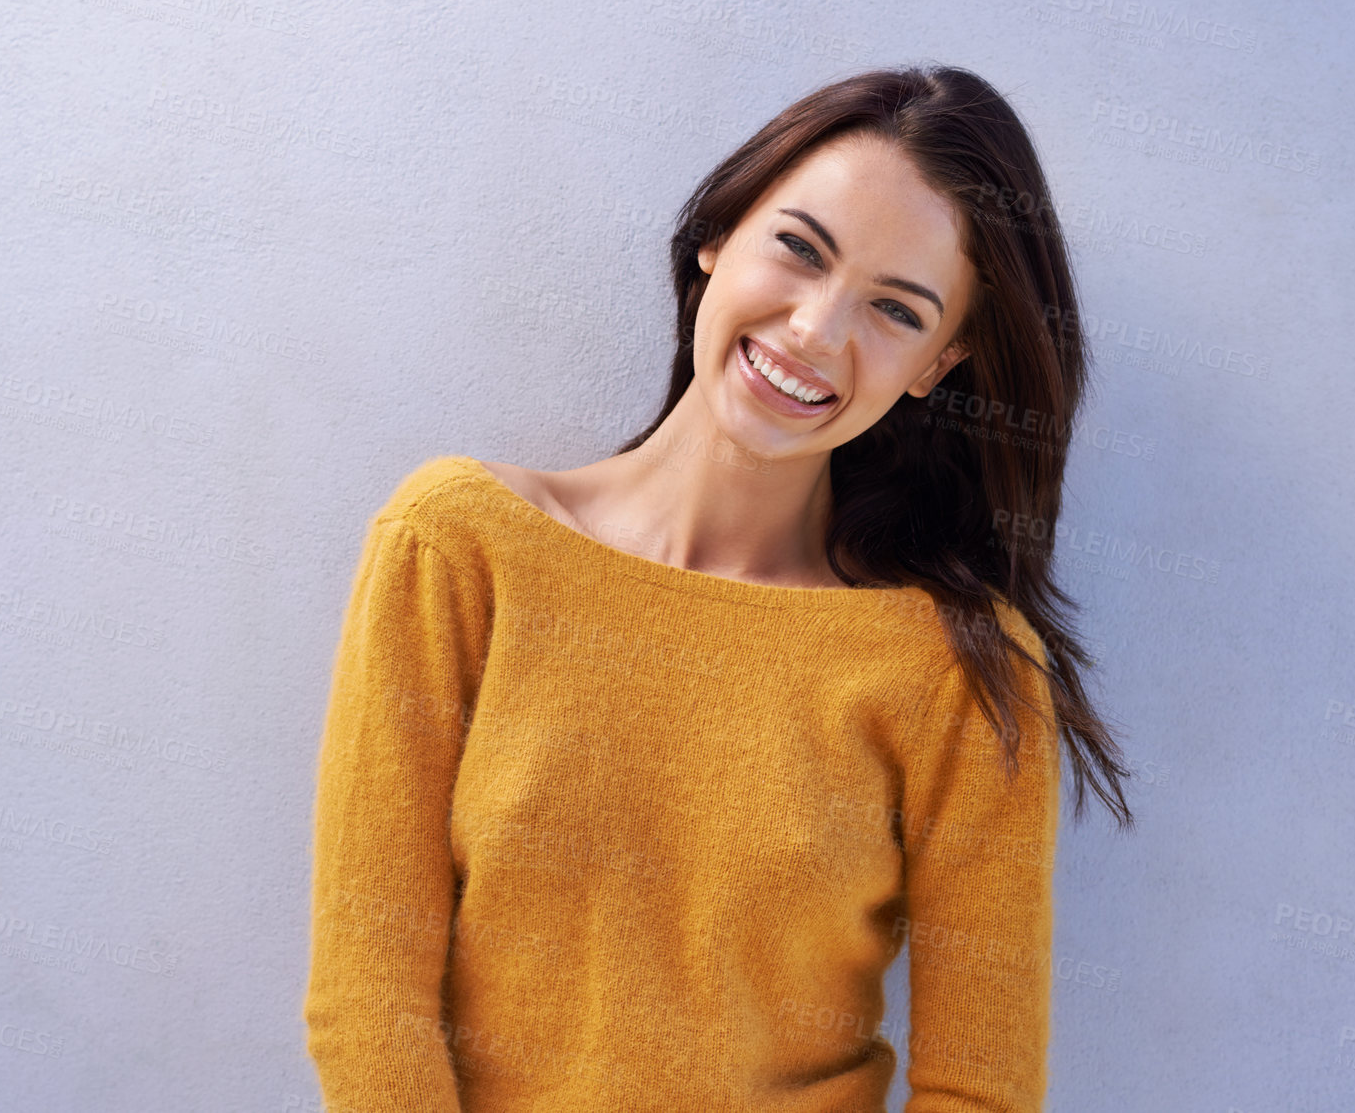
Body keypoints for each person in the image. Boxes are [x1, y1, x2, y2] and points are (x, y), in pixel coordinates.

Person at [303, 64, 1135, 1113]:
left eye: (894, 309)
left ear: (939, 362)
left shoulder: (961, 671)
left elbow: (982, 1090)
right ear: (719, 233)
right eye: (799, 249)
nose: (815, 333)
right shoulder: (460, 549)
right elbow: (368, 996)